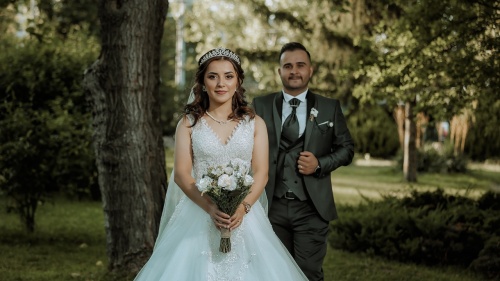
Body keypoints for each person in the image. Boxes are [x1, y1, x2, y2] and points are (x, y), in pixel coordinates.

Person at [134, 47, 307, 281]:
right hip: (198, 212)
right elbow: (182, 175)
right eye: (212, 76)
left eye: (228, 76)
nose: (220, 84)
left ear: (238, 81)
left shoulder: (255, 124)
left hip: (245, 216)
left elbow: (261, 173)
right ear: (203, 83)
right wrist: (211, 208)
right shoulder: (188, 124)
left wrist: (242, 208)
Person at [252, 42, 354, 281]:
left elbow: (347, 149)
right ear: (279, 72)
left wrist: (320, 163)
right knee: (272, 273)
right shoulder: (261, 106)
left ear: (311, 70)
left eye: (300, 65)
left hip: (311, 208)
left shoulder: (329, 108)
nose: (294, 71)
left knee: (308, 273)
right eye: (287, 66)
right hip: (270, 207)